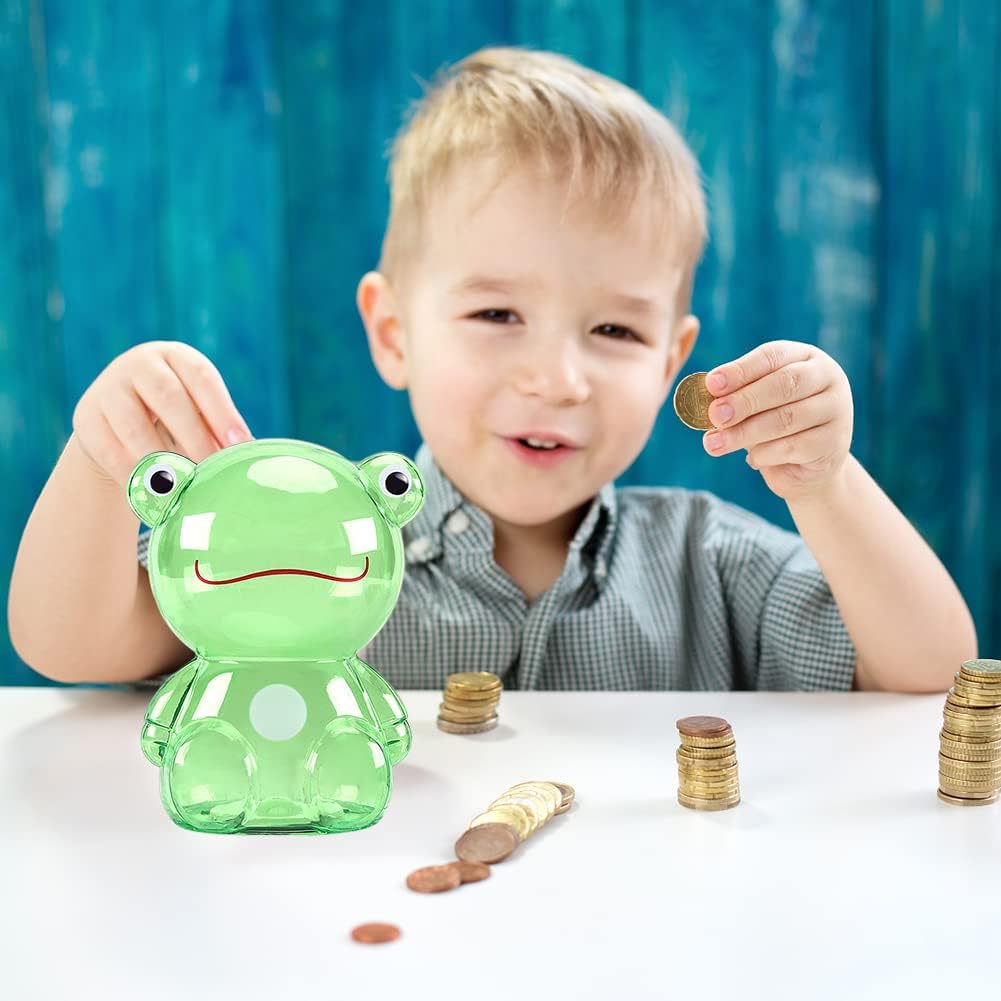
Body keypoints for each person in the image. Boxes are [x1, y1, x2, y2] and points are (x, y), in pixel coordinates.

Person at [8, 47, 975, 692]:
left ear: (672, 362)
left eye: (614, 330)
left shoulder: (710, 560)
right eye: (497, 314)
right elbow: (69, 645)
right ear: (394, 333)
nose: (558, 378)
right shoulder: (310, 540)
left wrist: (825, 482)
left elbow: (931, 670)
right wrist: (101, 457)